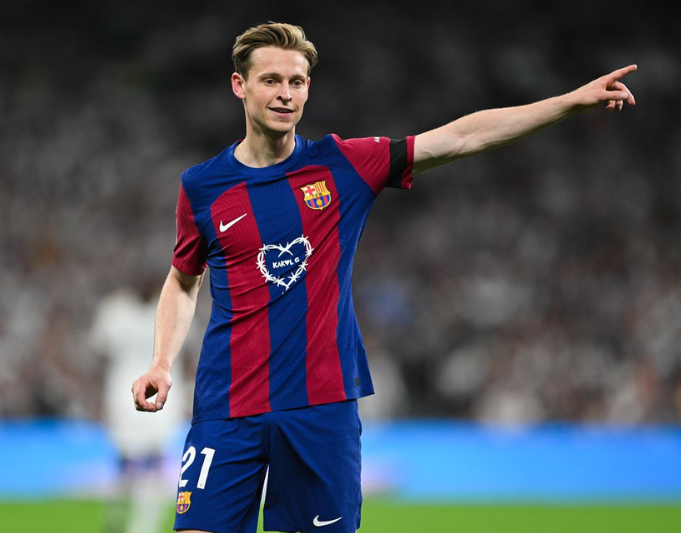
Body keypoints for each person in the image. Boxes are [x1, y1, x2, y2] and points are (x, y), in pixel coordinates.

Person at [131, 21, 636, 533]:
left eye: (297, 82)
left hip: (320, 408)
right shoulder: (202, 186)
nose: (285, 94)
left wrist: (568, 103)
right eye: (271, 80)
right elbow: (183, 280)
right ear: (240, 85)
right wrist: (161, 362)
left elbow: (461, 137)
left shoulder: (342, 164)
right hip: (226, 404)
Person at [91, 284, 190, 533]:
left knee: (146, 462)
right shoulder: (118, 310)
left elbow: (99, 354)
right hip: (128, 396)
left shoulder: (122, 310)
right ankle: (123, 517)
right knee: (132, 462)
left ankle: (137, 522)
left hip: (150, 396)